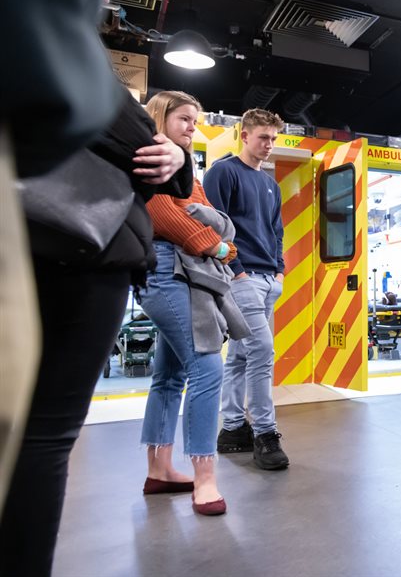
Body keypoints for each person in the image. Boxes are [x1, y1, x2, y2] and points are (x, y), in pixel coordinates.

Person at [138, 91, 250, 516]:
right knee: (206, 366)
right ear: (159, 117)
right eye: (183, 118)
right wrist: (218, 247)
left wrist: (215, 235)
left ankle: (160, 469)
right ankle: (205, 479)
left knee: (168, 374)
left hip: (182, 270)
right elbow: (165, 215)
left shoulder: (185, 167)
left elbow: (209, 213)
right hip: (167, 269)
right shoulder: (151, 155)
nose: (191, 127)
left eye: (194, 120)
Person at [203, 108, 290, 470]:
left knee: (240, 356)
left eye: (273, 139)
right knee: (262, 352)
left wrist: (281, 271)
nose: (269, 145)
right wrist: (236, 271)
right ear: (245, 136)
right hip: (242, 279)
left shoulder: (271, 184)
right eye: (263, 138)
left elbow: (277, 231)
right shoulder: (223, 173)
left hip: (269, 280)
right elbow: (213, 225)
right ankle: (265, 435)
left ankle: (233, 429)